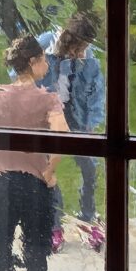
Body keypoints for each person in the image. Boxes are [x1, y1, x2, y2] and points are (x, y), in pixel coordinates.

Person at [0, 35, 69, 271]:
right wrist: (50, 171)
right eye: (43, 59)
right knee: (37, 253)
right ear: (32, 62)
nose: (47, 64)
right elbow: (63, 135)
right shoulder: (48, 100)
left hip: (1, 183)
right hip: (34, 186)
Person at [40, 13, 105, 247]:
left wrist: (91, 124)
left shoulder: (90, 60)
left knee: (89, 168)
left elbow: (97, 94)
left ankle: (87, 220)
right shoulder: (45, 43)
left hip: (77, 117)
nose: (84, 51)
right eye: (82, 46)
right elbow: (18, 72)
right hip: (47, 119)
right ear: (70, 40)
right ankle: (54, 225)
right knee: (48, 170)